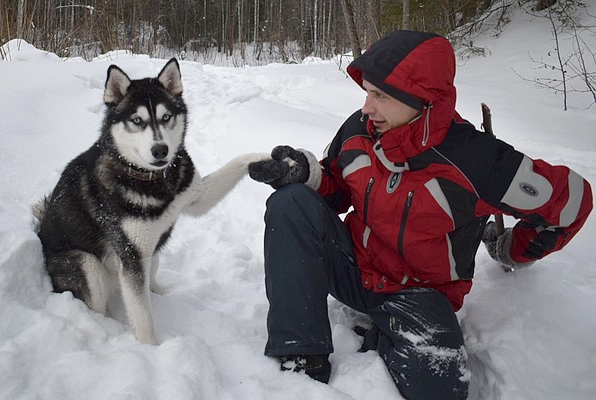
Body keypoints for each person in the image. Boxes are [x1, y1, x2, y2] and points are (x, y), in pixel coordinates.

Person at [247, 30, 593, 399]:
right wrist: (306, 174)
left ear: (422, 100)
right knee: (290, 201)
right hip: (353, 269)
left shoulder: (478, 160)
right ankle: (302, 353)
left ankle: (387, 335)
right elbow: (336, 187)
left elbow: (572, 202)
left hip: (418, 296)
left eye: (380, 96)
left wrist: (512, 249)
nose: (367, 107)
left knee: (440, 390)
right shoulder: (358, 130)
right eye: (367, 93)